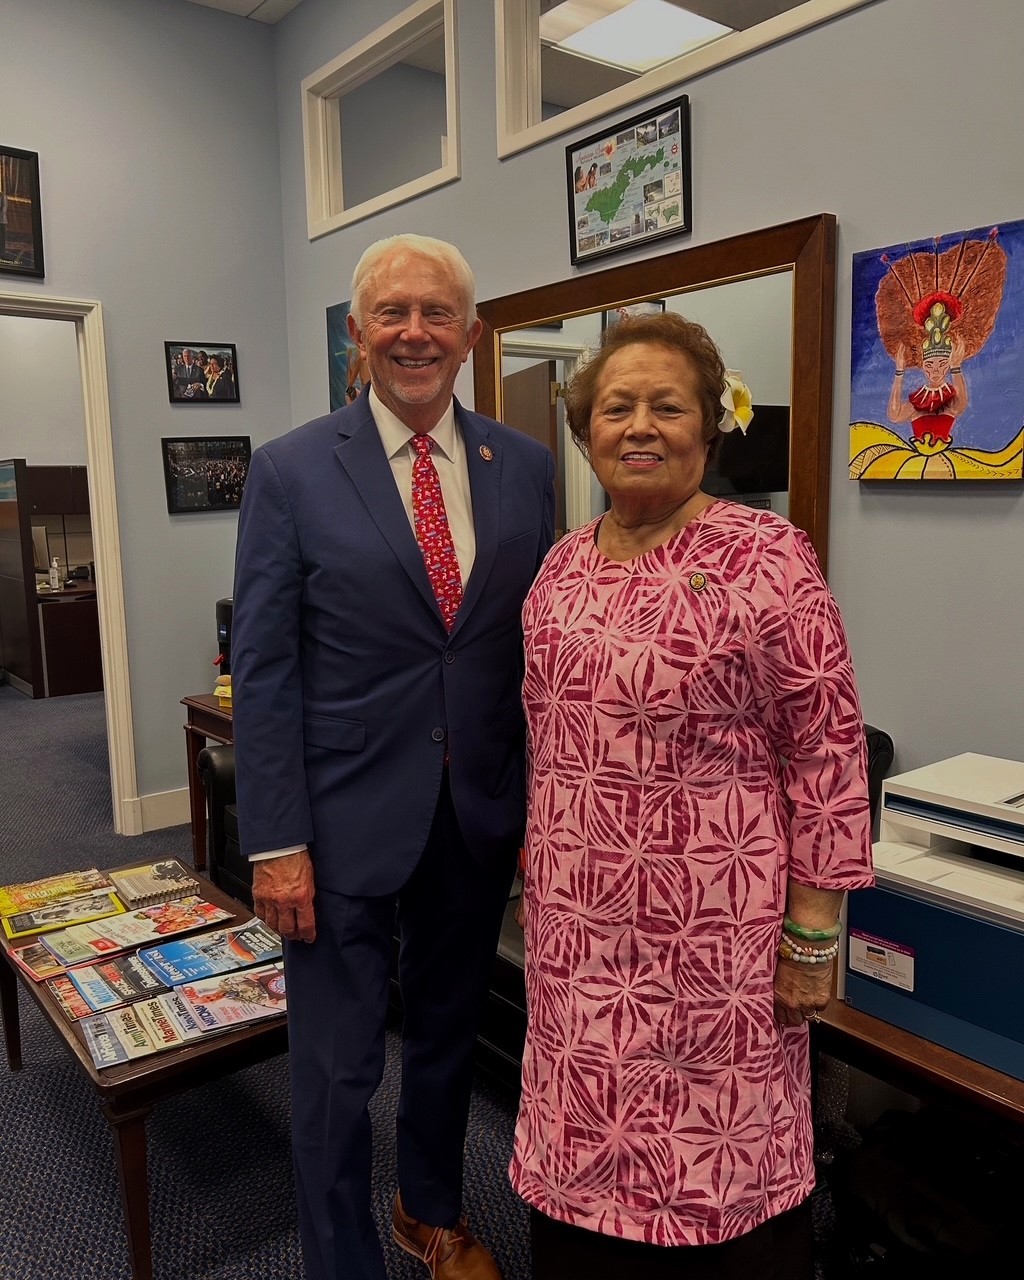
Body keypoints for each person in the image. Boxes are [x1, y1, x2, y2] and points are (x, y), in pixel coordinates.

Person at [510, 312, 874, 1280]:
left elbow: (827, 754)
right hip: (576, 940)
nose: (638, 425)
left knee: (717, 1181)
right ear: (586, 431)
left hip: (716, 946)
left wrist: (812, 939)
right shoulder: (559, 568)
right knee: (581, 1170)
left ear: (708, 429)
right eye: (616, 406)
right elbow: (547, 737)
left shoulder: (767, 558)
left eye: (665, 406)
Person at [231, 232, 556, 1280]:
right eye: (390, 313)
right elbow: (266, 666)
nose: (414, 331)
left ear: (470, 333)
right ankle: (341, 1258)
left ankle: (430, 1211)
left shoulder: (528, 467)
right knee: (332, 1068)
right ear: (359, 336)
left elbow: (527, 652)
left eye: (435, 313)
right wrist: (275, 837)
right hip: (336, 821)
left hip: (473, 814)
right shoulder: (289, 469)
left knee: (452, 1032)